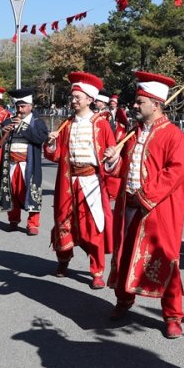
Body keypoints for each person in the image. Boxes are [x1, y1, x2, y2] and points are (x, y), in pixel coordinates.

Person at [102, 71, 184, 338]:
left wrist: (145, 195)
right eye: (136, 101)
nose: (135, 106)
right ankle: (124, 300)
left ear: (156, 104)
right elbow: (124, 169)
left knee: (165, 260)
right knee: (125, 255)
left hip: (156, 210)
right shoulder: (132, 133)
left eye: (140, 102)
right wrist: (113, 159)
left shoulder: (174, 135)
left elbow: (175, 172)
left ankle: (173, 315)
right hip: (128, 207)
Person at [44, 72, 116, 289]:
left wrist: (112, 157)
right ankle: (63, 261)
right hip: (68, 182)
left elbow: (112, 159)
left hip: (91, 182)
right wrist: (51, 143)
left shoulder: (101, 125)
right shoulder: (66, 124)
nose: (73, 100)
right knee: (63, 221)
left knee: (94, 226)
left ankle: (97, 271)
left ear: (90, 100)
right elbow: (56, 156)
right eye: (72, 97)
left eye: (78, 97)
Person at [0, 88, 48, 235]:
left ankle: (33, 224)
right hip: (11, 164)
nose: (20, 110)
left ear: (30, 106)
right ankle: (13, 220)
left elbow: (39, 138)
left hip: (29, 164)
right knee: (13, 192)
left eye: (23, 107)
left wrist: (22, 125)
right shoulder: (8, 121)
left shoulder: (38, 122)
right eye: (17, 107)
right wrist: (3, 132)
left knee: (31, 192)